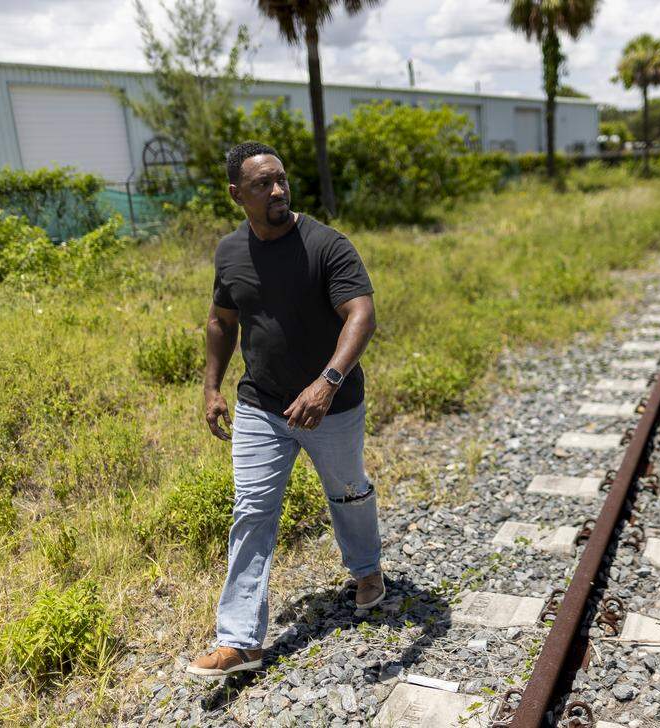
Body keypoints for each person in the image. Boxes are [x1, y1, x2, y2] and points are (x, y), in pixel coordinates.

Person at [187, 141, 383, 678]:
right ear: (236, 195)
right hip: (262, 405)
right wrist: (211, 387)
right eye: (261, 184)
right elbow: (221, 321)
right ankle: (240, 640)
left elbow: (360, 315)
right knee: (252, 511)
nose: (276, 190)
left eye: (281, 180)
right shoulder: (230, 251)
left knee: (348, 493)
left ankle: (366, 569)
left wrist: (326, 382)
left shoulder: (325, 244)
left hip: (333, 404)